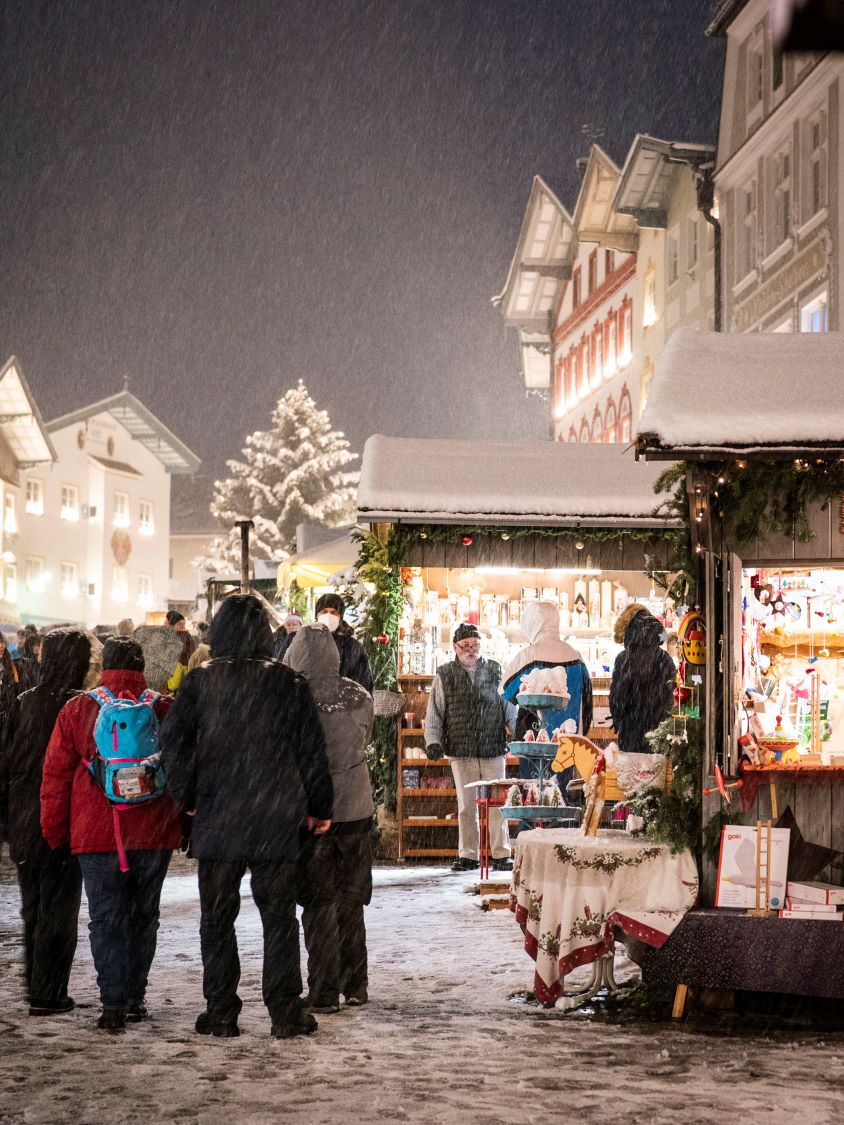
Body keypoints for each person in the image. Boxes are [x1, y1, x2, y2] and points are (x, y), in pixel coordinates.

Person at [159, 593, 334, 1040]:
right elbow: (312, 753)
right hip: (275, 817)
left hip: (218, 816)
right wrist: (319, 808)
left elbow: (173, 744)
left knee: (217, 919)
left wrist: (187, 796)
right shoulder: (289, 684)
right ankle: (285, 1011)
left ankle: (220, 1010)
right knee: (278, 919)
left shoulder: (199, 683)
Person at [40, 637, 182, 1032]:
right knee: (144, 916)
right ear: (142, 666)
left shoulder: (77, 708)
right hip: (154, 831)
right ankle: (136, 996)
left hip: (96, 833)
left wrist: (55, 832)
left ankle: (113, 1004)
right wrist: (183, 827)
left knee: (105, 918)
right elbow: (184, 771)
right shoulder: (163, 707)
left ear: (104, 666)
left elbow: (54, 777)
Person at [0, 628, 101, 1015]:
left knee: (33, 907)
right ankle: (49, 990)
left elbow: (7, 761)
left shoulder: (25, 702)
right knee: (59, 907)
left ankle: (35, 982)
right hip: (62, 815)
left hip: (25, 816)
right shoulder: (82, 706)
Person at [284, 624, 374, 1012]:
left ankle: (323, 989)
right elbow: (363, 739)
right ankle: (356, 984)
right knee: (350, 900)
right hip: (356, 808)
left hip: (313, 811)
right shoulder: (358, 695)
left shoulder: (291, 695)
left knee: (319, 903)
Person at [424, 623, 511, 873]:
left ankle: (502, 854)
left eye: (475, 645)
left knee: (497, 804)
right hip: (460, 749)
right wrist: (433, 742)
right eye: (466, 646)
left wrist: (518, 729)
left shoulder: (495, 670)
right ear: (455, 647)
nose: (471, 650)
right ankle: (468, 855)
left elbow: (508, 707)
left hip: (492, 746)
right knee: (466, 806)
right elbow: (434, 713)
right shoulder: (444, 674)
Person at [501, 601, 593, 798]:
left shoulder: (529, 656)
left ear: (532, 624)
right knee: (561, 799)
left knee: (534, 799)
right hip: (568, 743)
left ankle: (534, 830)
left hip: (533, 742)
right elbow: (587, 705)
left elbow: (504, 690)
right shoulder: (576, 657)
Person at [275, 594, 373, 693]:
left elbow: (363, 684)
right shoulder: (297, 639)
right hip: (303, 702)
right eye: (324, 611)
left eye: (334, 612)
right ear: (317, 615)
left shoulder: (352, 646)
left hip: (339, 704)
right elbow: (281, 671)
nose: (329, 616)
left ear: (340, 617)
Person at [609, 610, 676, 754]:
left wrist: (618, 720)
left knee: (629, 771)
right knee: (655, 772)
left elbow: (616, 696)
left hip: (629, 731)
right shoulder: (665, 659)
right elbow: (670, 697)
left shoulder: (623, 658)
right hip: (657, 731)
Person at [165, 610, 196, 694]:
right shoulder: (165, 637)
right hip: (169, 680)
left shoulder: (186, 636)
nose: (182, 627)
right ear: (172, 624)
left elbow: (191, 655)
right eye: (179, 624)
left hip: (182, 678)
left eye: (183, 624)